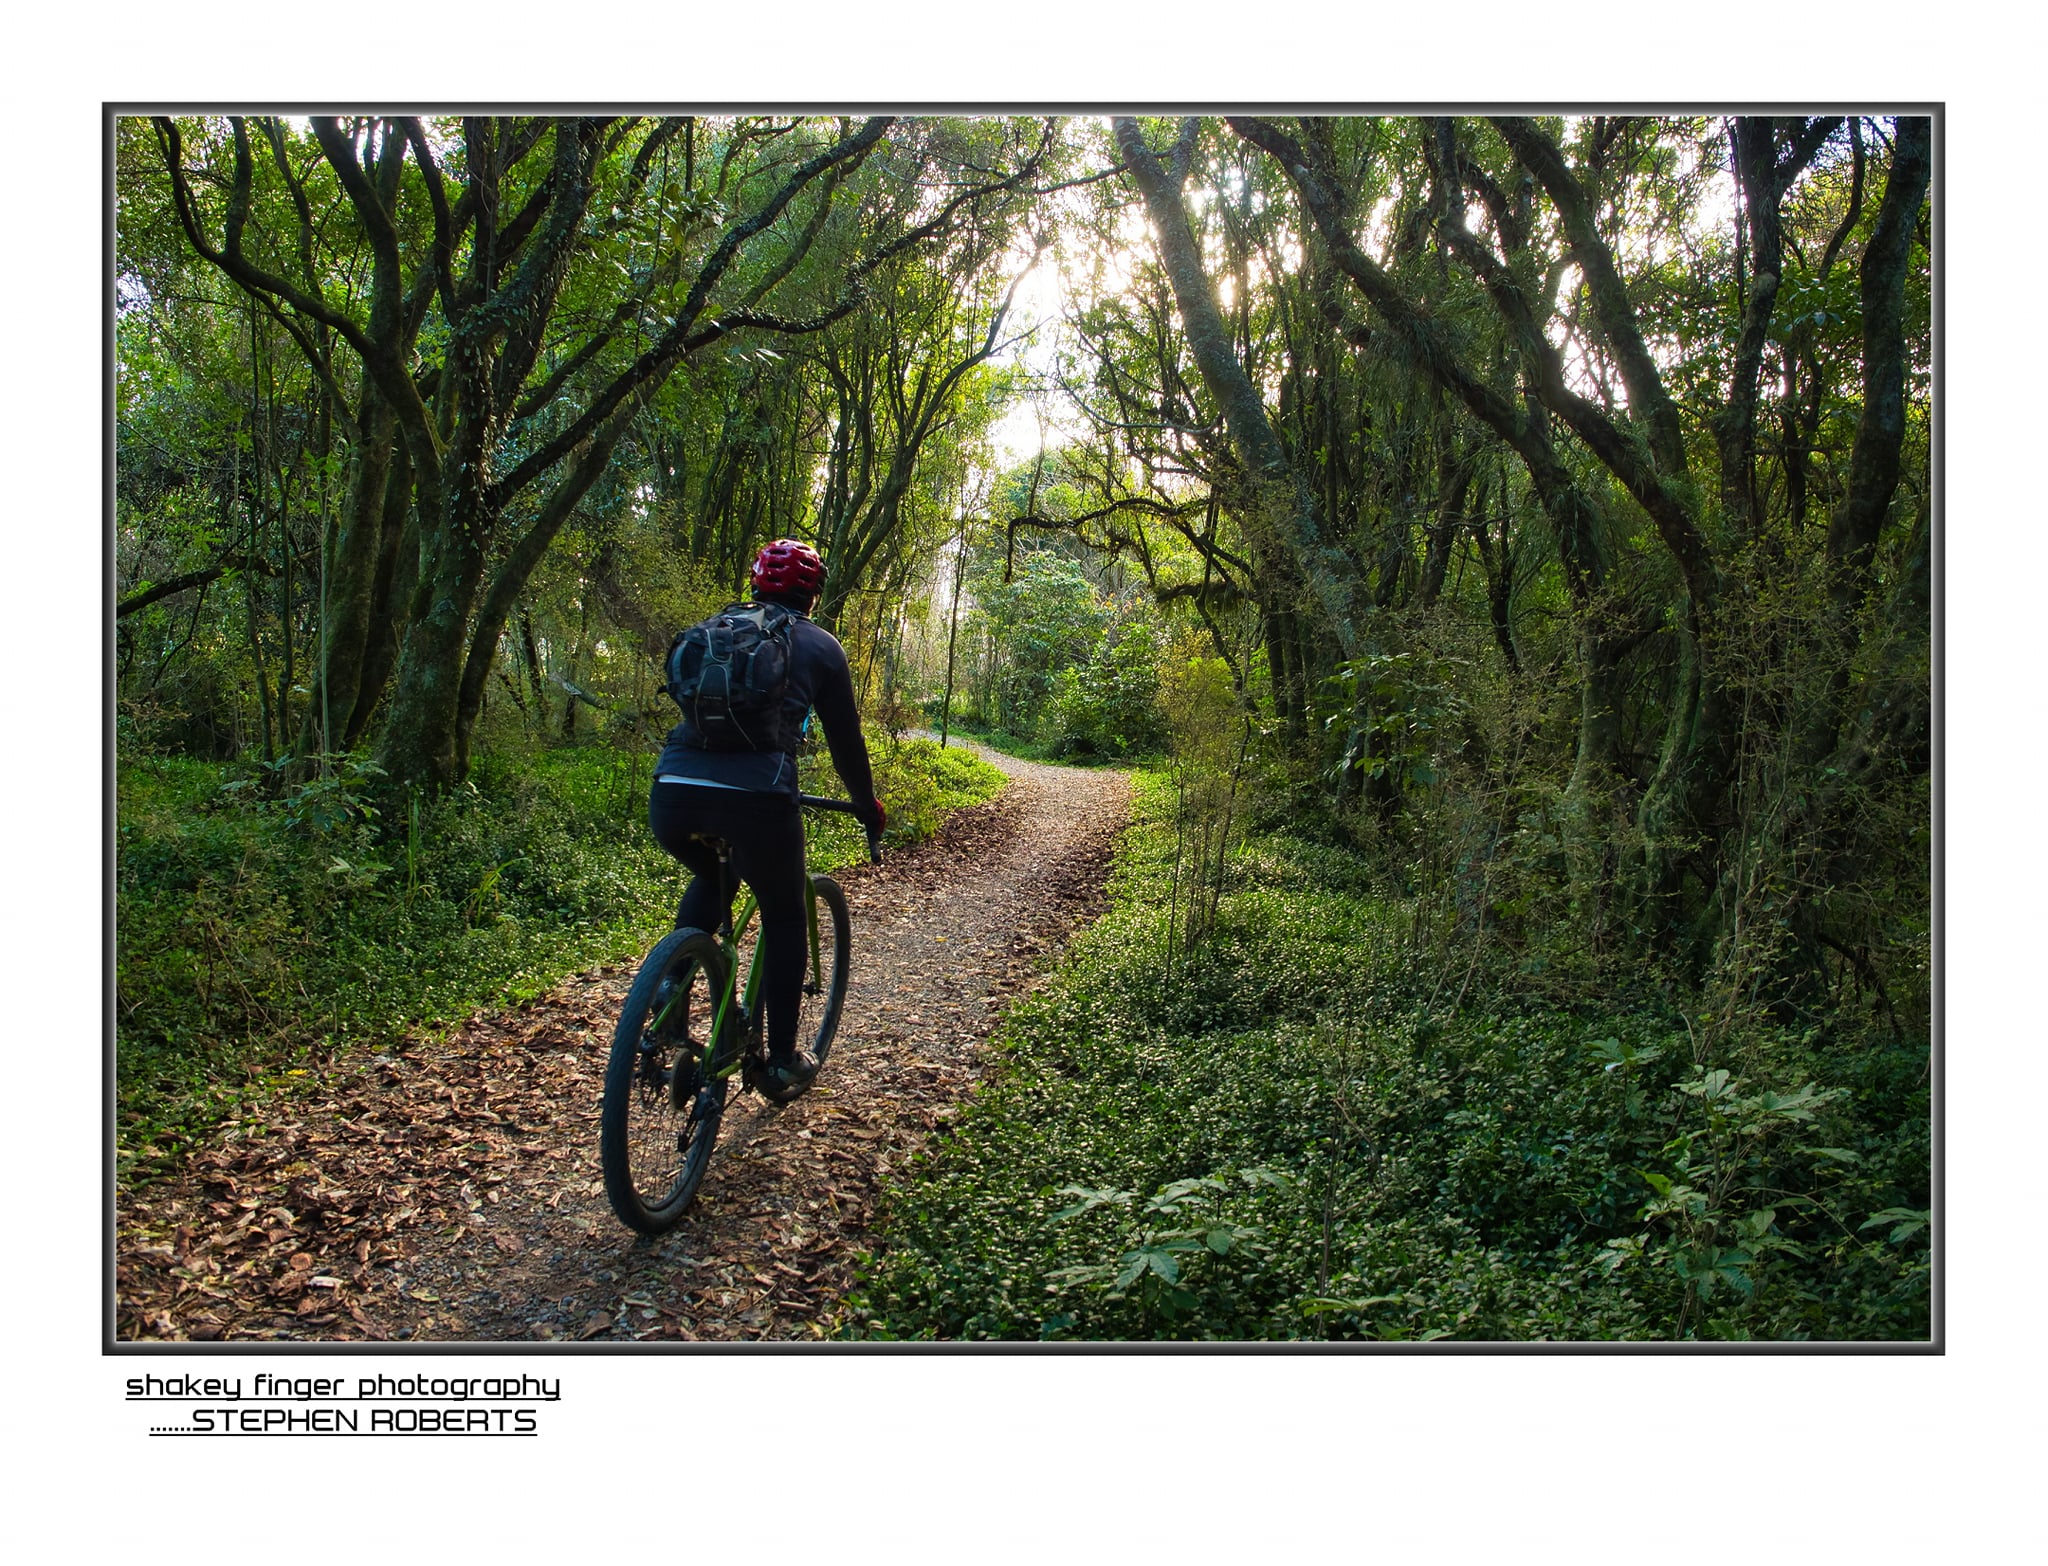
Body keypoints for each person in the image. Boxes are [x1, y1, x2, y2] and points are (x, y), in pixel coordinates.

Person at [648, 539, 885, 1098]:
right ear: (814, 595)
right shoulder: (822, 647)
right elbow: (847, 744)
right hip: (757, 799)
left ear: (753, 582)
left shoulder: (716, 630)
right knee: (783, 915)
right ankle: (780, 1061)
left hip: (673, 792)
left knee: (713, 875)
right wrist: (865, 805)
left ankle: (669, 987)